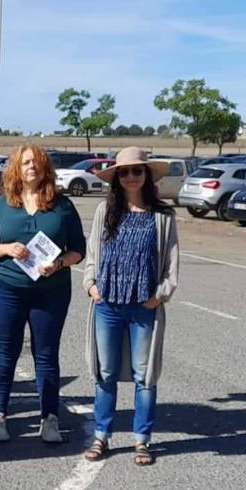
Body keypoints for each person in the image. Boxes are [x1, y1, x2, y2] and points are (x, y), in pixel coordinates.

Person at [0, 144, 85, 443]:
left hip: (51, 291)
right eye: (25, 163)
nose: (31, 167)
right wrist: (6, 249)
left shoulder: (62, 206)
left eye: (37, 163)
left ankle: (49, 418)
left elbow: (79, 250)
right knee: (5, 351)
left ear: (46, 168)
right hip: (6, 289)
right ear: (16, 168)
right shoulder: (3, 205)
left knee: (46, 354)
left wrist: (59, 263)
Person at [81, 147, 179, 466]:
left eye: (137, 171)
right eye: (124, 172)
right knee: (105, 372)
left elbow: (171, 265)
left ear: (147, 176)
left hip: (143, 306)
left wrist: (161, 295)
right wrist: (92, 286)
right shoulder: (104, 211)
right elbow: (92, 255)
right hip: (108, 303)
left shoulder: (163, 216)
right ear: (117, 179)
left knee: (144, 375)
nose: (131, 177)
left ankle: (142, 440)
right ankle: (102, 435)